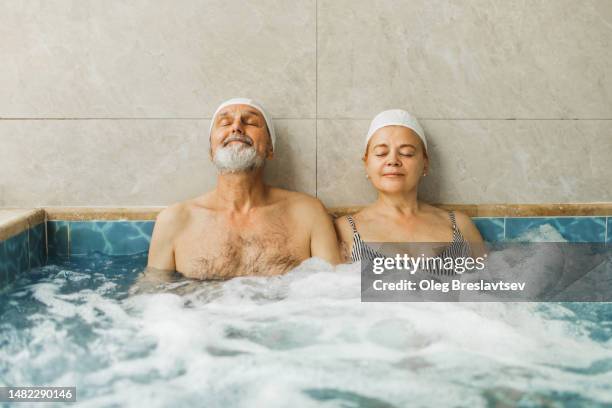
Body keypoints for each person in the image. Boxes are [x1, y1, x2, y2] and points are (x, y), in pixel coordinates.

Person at [146, 97, 340, 280]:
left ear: (270, 149)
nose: (237, 128)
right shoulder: (174, 221)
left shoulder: (308, 214)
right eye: (225, 123)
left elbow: (334, 294)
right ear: (211, 151)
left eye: (251, 123)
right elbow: (153, 300)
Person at [334, 109, 485, 274]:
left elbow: (490, 289)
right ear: (367, 165)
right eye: (381, 153)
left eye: (407, 153)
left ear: (425, 164)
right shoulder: (346, 230)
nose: (392, 160)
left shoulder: (459, 225)